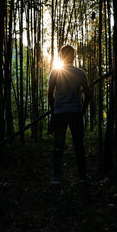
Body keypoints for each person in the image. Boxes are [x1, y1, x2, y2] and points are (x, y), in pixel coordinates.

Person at [48, 45, 91, 185]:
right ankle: (82, 176)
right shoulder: (80, 73)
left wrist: (54, 110)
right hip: (75, 113)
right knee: (79, 144)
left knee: (58, 144)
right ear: (73, 56)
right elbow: (88, 94)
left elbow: (50, 94)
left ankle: (56, 176)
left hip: (60, 113)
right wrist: (82, 110)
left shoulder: (55, 72)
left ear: (61, 56)